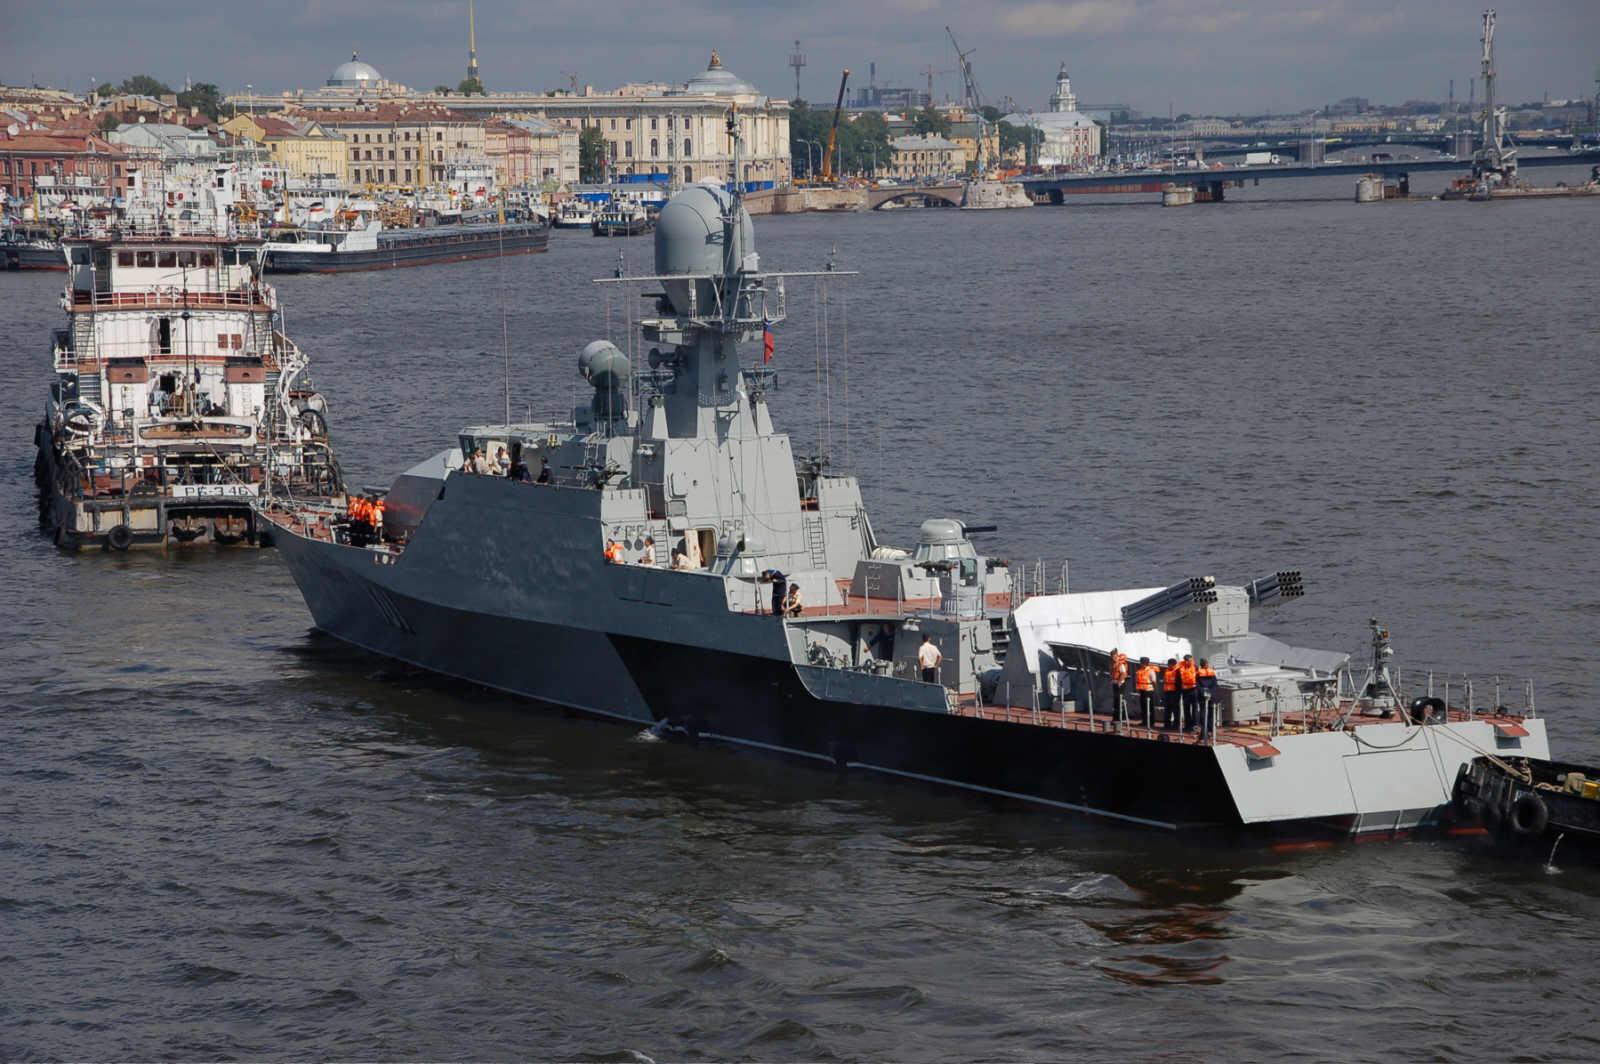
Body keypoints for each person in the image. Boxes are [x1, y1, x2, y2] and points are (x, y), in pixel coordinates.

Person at [1196, 658, 1219, 736]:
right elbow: (1215, 684)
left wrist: (1205, 692)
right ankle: (1208, 730)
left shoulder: (1198, 673)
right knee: (1208, 713)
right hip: (1208, 696)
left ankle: (1207, 729)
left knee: (1207, 713)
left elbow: (1198, 685)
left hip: (1205, 696)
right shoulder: (1210, 673)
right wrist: (1210, 693)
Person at [1134, 656, 1159, 728]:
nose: (1141, 664)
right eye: (1141, 662)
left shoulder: (1151, 671)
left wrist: (1155, 690)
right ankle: (1144, 721)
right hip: (1142, 690)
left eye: (1143, 663)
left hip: (1149, 690)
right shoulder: (1140, 670)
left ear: (1146, 663)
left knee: (1150, 707)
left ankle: (1151, 722)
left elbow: (1154, 681)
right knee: (1143, 707)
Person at [1179, 653, 1199, 732]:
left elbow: (1199, 678)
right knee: (1186, 709)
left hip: (1194, 689)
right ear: (1185, 661)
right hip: (1185, 691)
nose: (1189, 662)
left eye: (1190, 660)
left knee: (1195, 708)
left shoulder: (1196, 667)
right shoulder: (1181, 668)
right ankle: (1187, 726)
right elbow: (1179, 679)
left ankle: (1195, 725)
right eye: (1187, 660)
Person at [1109, 647, 1129, 720]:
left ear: (1117, 656)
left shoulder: (1120, 664)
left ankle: (1121, 717)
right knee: (1116, 701)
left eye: (1114, 656)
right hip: (1115, 683)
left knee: (1119, 701)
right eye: (1112, 656)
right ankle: (1116, 717)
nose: (1113, 658)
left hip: (1120, 684)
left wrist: (1119, 682)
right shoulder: (1113, 664)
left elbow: (1123, 673)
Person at [1162, 657, 1181, 730]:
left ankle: (1176, 725)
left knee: (1175, 709)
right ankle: (1167, 724)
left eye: (1170, 664)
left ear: (1174, 665)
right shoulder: (1166, 671)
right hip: (1167, 692)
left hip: (1175, 692)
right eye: (1168, 664)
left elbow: (1179, 682)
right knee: (1167, 709)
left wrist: (1178, 692)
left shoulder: (1178, 671)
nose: (1168, 666)